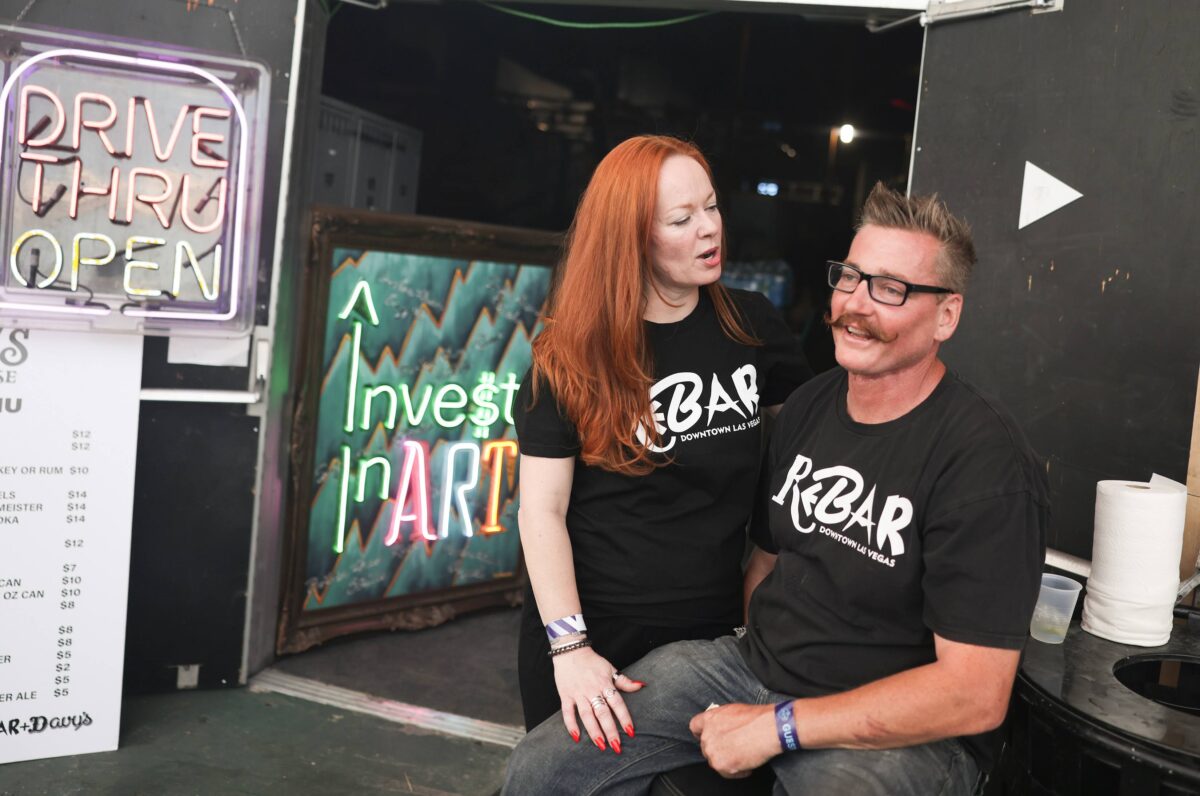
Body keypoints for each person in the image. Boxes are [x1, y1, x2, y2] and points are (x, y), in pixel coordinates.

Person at [504, 183, 1049, 795]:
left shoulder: (986, 462)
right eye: (849, 278)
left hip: (895, 722)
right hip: (745, 671)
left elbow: (974, 695)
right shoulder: (809, 407)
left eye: (890, 288)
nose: (855, 304)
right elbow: (764, 562)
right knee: (543, 768)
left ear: (946, 314)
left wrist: (779, 727)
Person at [514, 135, 811, 755]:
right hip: (597, 634)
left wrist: (770, 563)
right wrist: (569, 651)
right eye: (682, 219)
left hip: (716, 631)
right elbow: (542, 510)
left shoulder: (750, 325)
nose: (710, 230)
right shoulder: (569, 355)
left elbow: (801, 460)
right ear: (631, 239)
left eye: (711, 207)